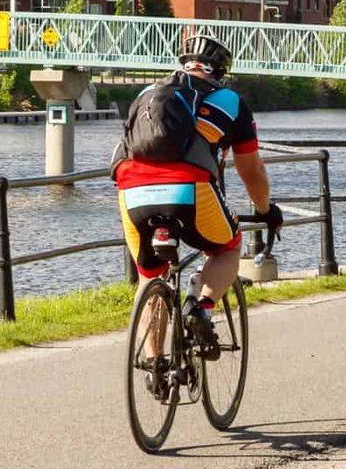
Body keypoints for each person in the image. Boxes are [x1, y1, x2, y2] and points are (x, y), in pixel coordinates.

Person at [112, 33, 282, 345]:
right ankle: (201, 309)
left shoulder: (148, 93)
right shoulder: (230, 102)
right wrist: (264, 209)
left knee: (151, 276)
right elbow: (251, 169)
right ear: (220, 72)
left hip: (131, 186)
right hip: (188, 188)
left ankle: (155, 369)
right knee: (227, 247)